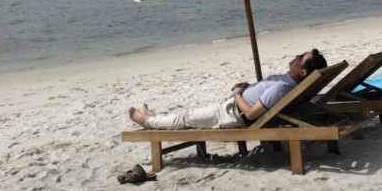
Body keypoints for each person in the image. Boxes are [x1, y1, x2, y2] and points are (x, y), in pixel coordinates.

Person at [128, 48, 327, 130]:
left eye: (300, 58)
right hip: (231, 107)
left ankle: (148, 122)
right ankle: (158, 118)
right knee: (189, 115)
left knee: (187, 118)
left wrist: (237, 93)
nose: (296, 56)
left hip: (232, 114)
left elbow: (250, 114)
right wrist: (247, 88)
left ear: (302, 72)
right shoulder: (290, 83)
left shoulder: (282, 87)